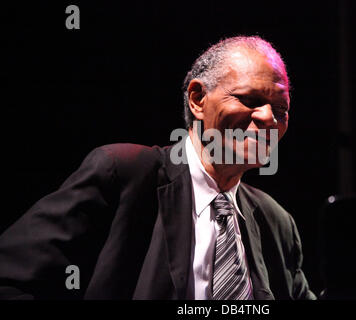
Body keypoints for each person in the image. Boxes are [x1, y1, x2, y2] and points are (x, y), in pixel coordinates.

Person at [0, 36, 316, 300]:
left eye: (281, 109)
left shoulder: (276, 222)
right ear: (197, 99)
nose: (268, 118)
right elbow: (11, 276)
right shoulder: (122, 174)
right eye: (250, 99)